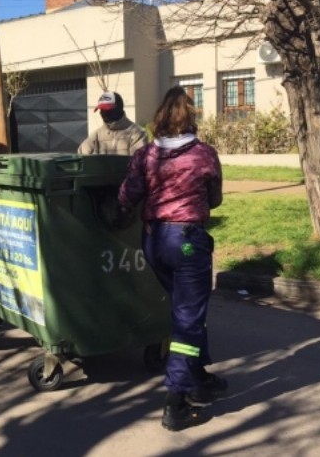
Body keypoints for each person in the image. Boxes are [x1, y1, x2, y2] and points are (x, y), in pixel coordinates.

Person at [117, 86, 226, 432]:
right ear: (191, 118)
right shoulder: (204, 155)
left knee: (186, 312)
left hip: (154, 242)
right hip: (188, 243)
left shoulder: (145, 155)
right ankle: (176, 402)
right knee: (187, 320)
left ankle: (197, 377)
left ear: (160, 119)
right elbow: (216, 199)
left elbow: (127, 195)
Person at [78, 91, 147, 155]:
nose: (104, 113)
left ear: (118, 109)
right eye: (102, 110)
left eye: (107, 109)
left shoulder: (137, 133)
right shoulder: (96, 135)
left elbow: (137, 161)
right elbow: (81, 156)